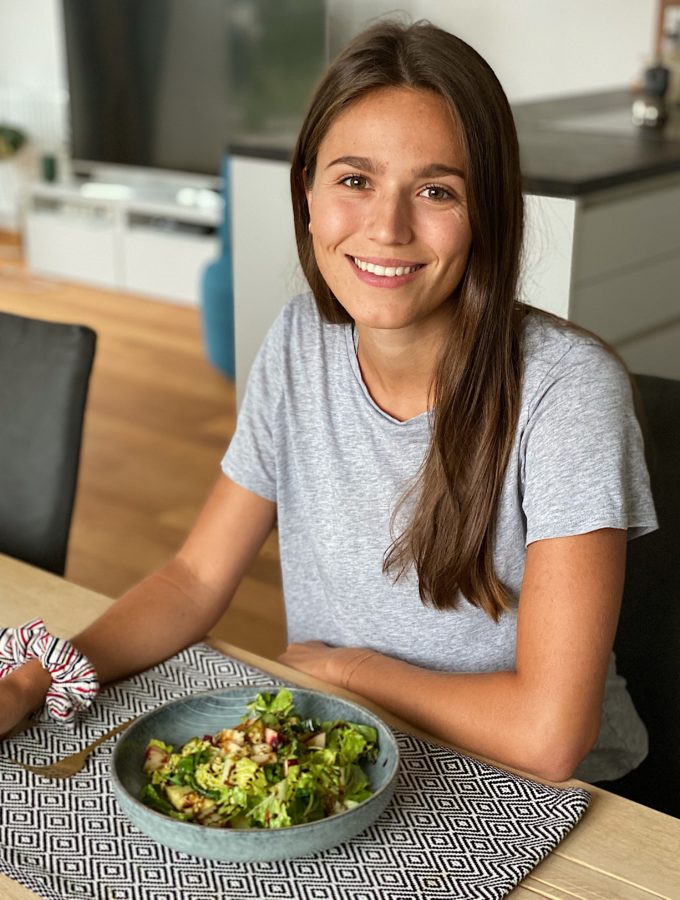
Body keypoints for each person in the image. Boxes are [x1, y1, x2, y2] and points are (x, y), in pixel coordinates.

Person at [0, 20, 657, 785]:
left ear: (488, 215)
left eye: (437, 190)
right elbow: (194, 581)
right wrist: (37, 678)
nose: (387, 227)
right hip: (356, 758)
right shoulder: (298, 339)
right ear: (307, 193)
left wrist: (347, 670)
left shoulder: (568, 393)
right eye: (354, 180)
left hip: (553, 796)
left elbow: (548, 738)